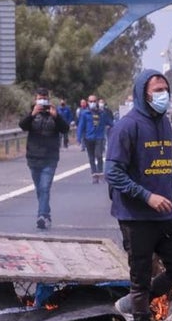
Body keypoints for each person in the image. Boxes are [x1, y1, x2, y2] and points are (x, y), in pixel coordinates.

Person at [105, 70, 172, 321]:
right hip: (136, 215)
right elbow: (113, 172)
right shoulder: (127, 126)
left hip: (166, 215)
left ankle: (130, 304)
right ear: (143, 93)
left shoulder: (164, 124)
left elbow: (165, 171)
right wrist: (147, 196)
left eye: (165, 89)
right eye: (157, 90)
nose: (162, 95)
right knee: (140, 278)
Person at [18, 88, 69, 229]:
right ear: (35, 99)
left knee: (45, 187)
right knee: (40, 189)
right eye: (40, 98)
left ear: (49, 99)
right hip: (33, 157)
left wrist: (56, 117)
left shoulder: (54, 113)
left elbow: (65, 129)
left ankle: (41, 215)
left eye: (45, 98)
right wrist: (32, 114)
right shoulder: (32, 113)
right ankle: (47, 214)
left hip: (50, 158)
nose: (42, 101)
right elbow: (22, 125)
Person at [75, 93, 110, 183]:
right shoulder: (84, 113)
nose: (93, 103)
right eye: (91, 101)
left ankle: (100, 172)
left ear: (97, 102)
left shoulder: (102, 113)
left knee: (98, 155)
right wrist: (78, 138)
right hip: (88, 137)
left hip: (99, 137)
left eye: (94, 101)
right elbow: (81, 126)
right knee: (91, 157)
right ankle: (94, 174)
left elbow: (109, 122)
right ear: (88, 102)